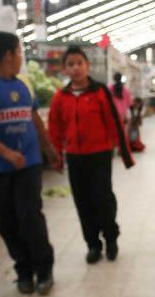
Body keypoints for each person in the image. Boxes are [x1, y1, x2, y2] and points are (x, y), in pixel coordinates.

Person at [0, 32, 58, 295]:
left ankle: (45, 270)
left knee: (30, 218)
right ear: (8, 55)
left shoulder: (25, 84)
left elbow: (35, 119)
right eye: (19, 51)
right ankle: (24, 271)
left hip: (28, 165)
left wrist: (48, 148)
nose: (21, 57)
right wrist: (5, 152)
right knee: (6, 222)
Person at [48, 47, 134, 265]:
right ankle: (93, 244)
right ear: (65, 70)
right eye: (70, 64)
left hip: (100, 155)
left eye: (79, 62)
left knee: (103, 199)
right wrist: (56, 157)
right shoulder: (61, 97)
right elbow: (55, 129)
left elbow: (115, 122)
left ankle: (111, 238)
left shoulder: (100, 92)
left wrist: (125, 154)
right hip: (75, 158)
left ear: (87, 65)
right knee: (82, 202)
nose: (75, 67)